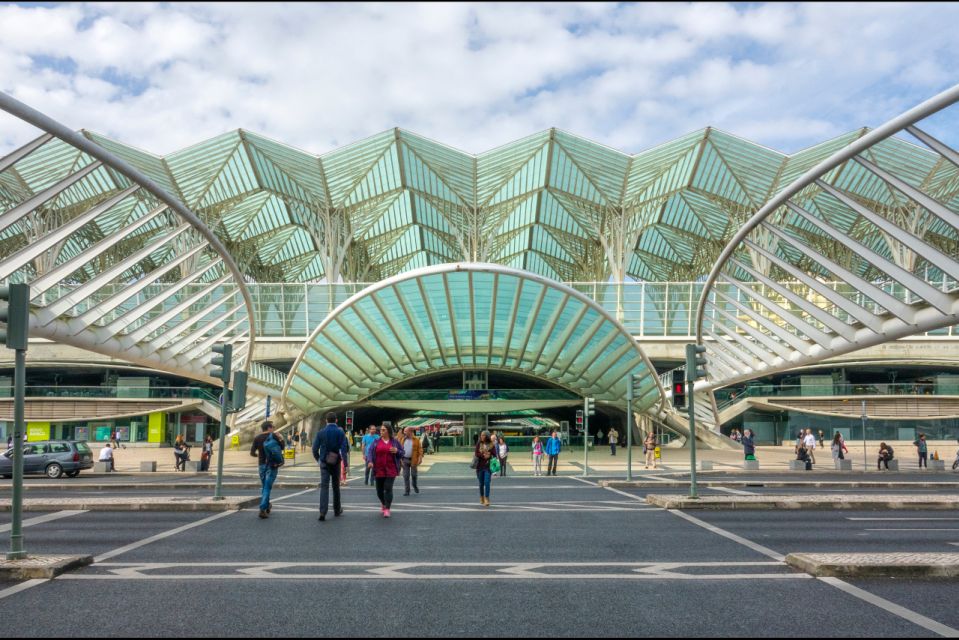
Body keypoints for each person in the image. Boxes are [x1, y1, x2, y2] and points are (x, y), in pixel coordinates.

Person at [312, 412, 349, 522]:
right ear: (336, 420)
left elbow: (314, 449)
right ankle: (337, 510)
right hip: (336, 462)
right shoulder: (340, 432)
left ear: (326, 421)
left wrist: (319, 460)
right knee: (336, 486)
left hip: (324, 462)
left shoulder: (321, 432)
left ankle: (322, 512)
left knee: (324, 487)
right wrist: (345, 464)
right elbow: (343, 449)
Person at [251, 421, 285, 519]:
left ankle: (267, 505)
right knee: (267, 487)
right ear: (269, 428)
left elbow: (252, 453)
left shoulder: (257, 438)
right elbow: (282, 447)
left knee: (265, 486)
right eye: (273, 427)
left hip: (261, 465)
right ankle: (262, 508)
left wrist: (260, 456)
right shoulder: (273, 436)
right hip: (272, 465)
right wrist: (281, 438)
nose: (274, 428)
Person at [369, 423, 403, 518]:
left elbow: (402, 452)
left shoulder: (395, 442)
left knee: (388, 488)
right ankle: (383, 503)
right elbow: (370, 452)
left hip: (391, 469)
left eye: (383, 430)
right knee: (379, 491)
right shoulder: (376, 441)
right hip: (379, 469)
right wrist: (370, 461)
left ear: (388, 431)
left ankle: (387, 509)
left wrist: (397, 451)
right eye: (381, 430)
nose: (381, 431)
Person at [399, 426, 423, 496]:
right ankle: (407, 491)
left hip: (413, 460)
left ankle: (414, 485)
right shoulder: (402, 439)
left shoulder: (416, 440)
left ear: (410, 432)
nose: (404, 432)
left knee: (414, 475)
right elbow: (400, 450)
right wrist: (400, 460)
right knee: (406, 476)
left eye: (406, 431)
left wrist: (420, 457)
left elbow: (420, 449)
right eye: (404, 431)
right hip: (405, 459)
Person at [474, 430, 496, 506]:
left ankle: (487, 498)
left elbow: (495, 454)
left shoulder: (491, 444)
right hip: (479, 467)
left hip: (487, 467)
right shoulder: (479, 443)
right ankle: (481, 497)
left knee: (487, 482)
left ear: (487, 436)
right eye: (481, 435)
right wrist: (483, 455)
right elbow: (476, 453)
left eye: (483, 435)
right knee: (481, 483)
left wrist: (489, 455)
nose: (482, 436)